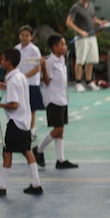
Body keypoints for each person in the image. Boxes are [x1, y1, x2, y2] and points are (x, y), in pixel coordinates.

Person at [0, 48, 43, 196]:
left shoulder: (12, 80)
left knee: (7, 152)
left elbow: (14, 104)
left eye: (3, 59)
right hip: (25, 121)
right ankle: (36, 184)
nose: (1, 61)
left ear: (9, 62)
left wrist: (0, 105)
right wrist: (6, 87)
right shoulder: (20, 77)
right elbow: (20, 92)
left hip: (15, 121)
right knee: (26, 151)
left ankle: (1, 186)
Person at [32, 34, 78, 170]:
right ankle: (38, 149)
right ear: (55, 47)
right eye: (62, 44)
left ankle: (60, 160)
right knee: (58, 129)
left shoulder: (61, 59)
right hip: (53, 99)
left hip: (62, 98)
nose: (65, 46)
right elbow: (46, 81)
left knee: (60, 130)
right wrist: (44, 68)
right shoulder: (50, 62)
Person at [66, 0, 106, 92]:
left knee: (91, 60)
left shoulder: (91, 6)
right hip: (81, 38)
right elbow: (69, 22)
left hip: (92, 37)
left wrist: (101, 22)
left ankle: (89, 81)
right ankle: (78, 83)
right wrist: (80, 32)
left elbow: (94, 19)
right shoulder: (75, 7)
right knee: (80, 61)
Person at [15, 25, 44, 140]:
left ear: (31, 37)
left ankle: (32, 130)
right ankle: (21, 130)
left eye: (27, 35)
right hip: (19, 83)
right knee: (19, 107)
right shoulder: (16, 49)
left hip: (31, 83)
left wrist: (24, 76)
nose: (24, 37)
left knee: (31, 108)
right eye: (22, 35)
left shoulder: (34, 50)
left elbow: (37, 68)